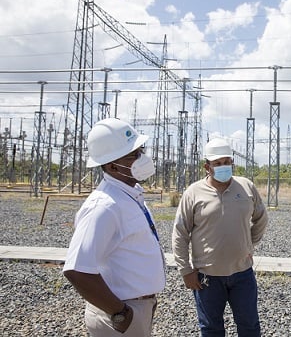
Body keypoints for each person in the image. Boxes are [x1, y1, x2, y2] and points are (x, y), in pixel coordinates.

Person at [63, 118, 166, 337]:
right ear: (111, 165)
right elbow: (77, 269)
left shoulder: (129, 194)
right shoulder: (104, 206)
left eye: (141, 151)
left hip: (136, 308)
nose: (142, 158)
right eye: (133, 155)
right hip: (120, 315)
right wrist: (120, 313)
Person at [172, 137, 268, 337]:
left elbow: (261, 218)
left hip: (242, 274)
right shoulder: (193, 192)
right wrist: (185, 270)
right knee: (211, 329)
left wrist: (249, 245)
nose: (223, 166)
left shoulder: (246, 187)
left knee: (250, 326)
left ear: (232, 162)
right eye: (217, 163)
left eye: (227, 162)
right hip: (206, 277)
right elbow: (180, 233)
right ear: (207, 166)